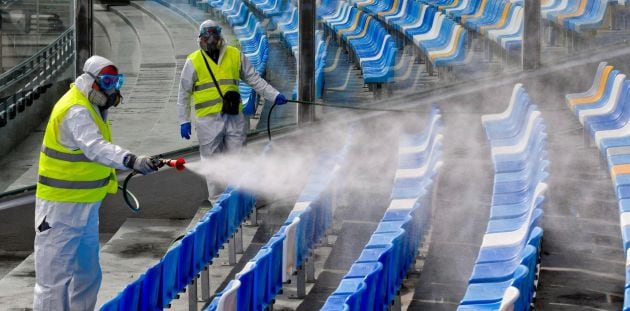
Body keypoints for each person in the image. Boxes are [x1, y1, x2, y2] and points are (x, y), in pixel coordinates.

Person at [33, 55, 159, 311]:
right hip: (59, 210)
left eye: (116, 81)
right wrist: (131, 160)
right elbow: (95, 148)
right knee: (53, 282)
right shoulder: (75, 110)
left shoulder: (92, 107)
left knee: (88, 274)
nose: (113, 89)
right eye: (108, 81)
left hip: (86, 206)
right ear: (91, 82)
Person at [177, 19, 288, 198]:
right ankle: (216, 201)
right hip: (207, 120)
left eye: (214, 34)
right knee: (212, 162)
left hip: (234, 116)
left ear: (220, 35)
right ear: (201, 38)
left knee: (237, 159)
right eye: (208, 35)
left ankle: (235, 199)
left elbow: (254, 79)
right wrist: (183, 120)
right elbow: (183, 93)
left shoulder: (235, 55)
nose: (212, 39)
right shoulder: (193, 61)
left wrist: (274, 95)